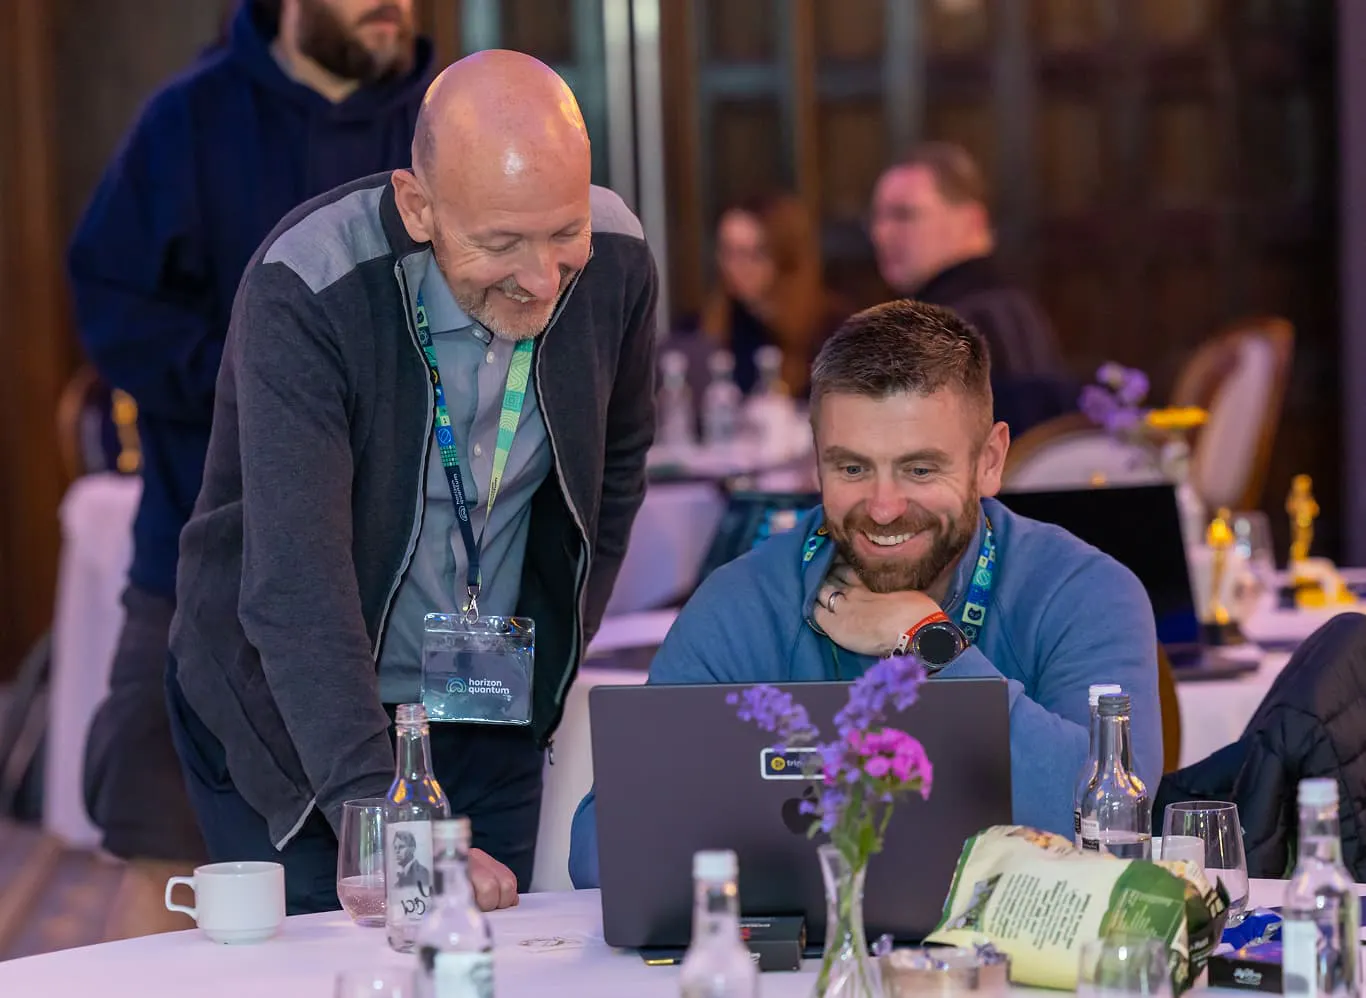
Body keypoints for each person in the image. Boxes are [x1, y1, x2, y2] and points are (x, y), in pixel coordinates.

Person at [165, 49, 658, 916]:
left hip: (483, 697)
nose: (542, 279)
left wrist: (551, 643)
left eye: (562, 233)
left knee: (482, 955)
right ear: (417, 205)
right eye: (501, 243)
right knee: (342, 958)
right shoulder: (309, 286)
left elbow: (616, 471)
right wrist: (382, 817)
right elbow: (294, 585)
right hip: (297, 705)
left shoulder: (616, 260)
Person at [567, 299, 1162, 889]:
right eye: (851, 469)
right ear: (815, 462)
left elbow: (1105, 823)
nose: (883, 508)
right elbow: (601, 852)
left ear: (989, 460)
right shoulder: (742, 601)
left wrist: (932, 647)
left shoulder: (1085, 592)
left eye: (920, 470)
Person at [66, 0, 432, 938]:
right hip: (202, 558)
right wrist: (251, 386)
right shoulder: (189, 121)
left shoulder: (443, 117)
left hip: (399, 573)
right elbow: (111, 299)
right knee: (158, 838)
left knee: (388, 864)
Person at [869, 142, 1067, 395]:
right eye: (877, 217)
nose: (881, 234)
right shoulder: (988, 305)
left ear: (973, 220)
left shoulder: (984, 314)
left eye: (904, 215)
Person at [699, 194, 845, 397]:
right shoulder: (721, 322)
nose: (735, 267)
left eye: (753, 254)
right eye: (728, 252)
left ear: (785, 257)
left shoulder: (831, 329)